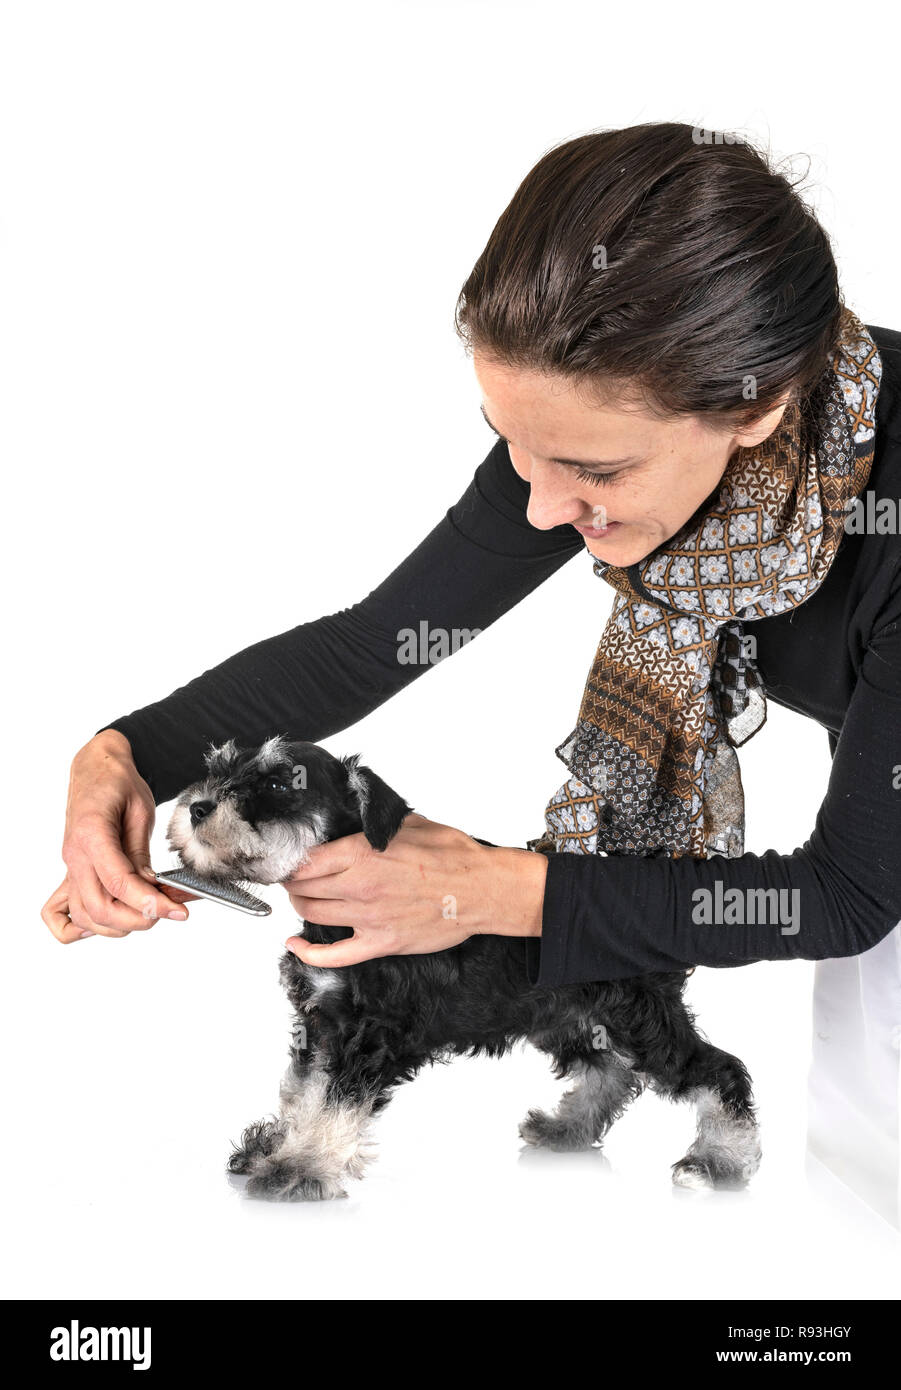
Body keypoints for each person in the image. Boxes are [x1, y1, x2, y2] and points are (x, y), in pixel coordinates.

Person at [41, 128, 900, 1131]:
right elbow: (382, 639)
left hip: (863, 873)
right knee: (864, 1167)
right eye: (512, 444)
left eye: (596, 472)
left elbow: (841, 894)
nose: (537, 511)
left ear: (757, 409)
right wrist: (126, 757)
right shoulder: (586, 436)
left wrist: (497, 891)